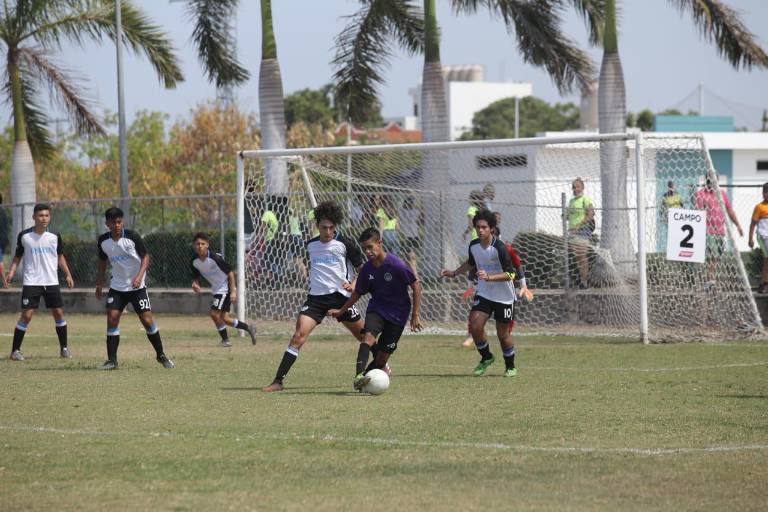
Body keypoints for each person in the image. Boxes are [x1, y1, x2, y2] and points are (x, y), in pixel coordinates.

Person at [262, 201, 366, 392]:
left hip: (341, 298)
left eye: (331, 227)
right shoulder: (310, 245)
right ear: (317, 225)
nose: (328, 231)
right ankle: (278, 381)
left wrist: (353, 284)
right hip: (316, 300)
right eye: (324, 227)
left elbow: (363, 270)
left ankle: (382, 365)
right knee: (298, 336)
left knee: (365, 337)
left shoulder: (346, 244)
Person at [328, 228, 423, 391]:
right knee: (368, 338)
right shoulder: (367, 269)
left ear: (380, 243)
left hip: (399, 315)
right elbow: (357, 293)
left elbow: (416, 284)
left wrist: (415, 315)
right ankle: (359, 376)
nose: (368, 252)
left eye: (370, 247)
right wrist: (341, 310)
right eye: (364, 248)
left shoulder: (395, 264)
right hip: (377, 309)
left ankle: (366, 377)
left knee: (382, 357)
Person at [441, 209, 520, 377]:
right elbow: (471, 263)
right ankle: (486, 357)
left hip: (504, 296)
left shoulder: (499, 248)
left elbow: (511, 274)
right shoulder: (474, 245)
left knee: (503, 334)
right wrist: (454, 272)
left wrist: (490, 277)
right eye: (478, 227)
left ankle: (510, 366)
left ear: (491, 229)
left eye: (484, 227)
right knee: (475, 325)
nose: (480, 230)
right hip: (484, 292)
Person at [95, 206, 174, 370]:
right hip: (117, 286)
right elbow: (102, 262)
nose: (117, 225)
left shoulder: (132, 237)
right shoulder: (103, 241)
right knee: (112, 318)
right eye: (113, 222)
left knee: (147, 320)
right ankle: (112, 361)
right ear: (107, 224)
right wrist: (99, 283)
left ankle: (161, 355)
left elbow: (146, 257)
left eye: (119, 222)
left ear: (122, 222)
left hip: (137, 287)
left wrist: (139, 277)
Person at [4, 204, 74, 361]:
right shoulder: (24, 236)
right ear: (34, 217)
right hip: (31, 281)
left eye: (47, 215)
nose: (44, 218)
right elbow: (17, 257)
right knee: (27, 315)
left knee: (58, 313)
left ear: (50, 217)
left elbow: (60, 256)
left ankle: (64, 349)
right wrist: (11, 272)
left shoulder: (55, 236)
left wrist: (68, 275)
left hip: (51, 281)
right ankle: (15, 351)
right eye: (41, 215)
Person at [190, 232, 257, 347]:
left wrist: (234, 291)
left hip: (224, 288)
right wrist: (195, 284)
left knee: (214, 314)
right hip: (217, 289)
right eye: (197, 244)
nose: (200, 246)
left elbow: (230, 273)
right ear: (194, 246)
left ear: (207, 245)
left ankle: (226, 340)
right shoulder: (193, 261)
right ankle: (249, 328)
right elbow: (195, 276)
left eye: (203, 243)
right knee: (225, 318)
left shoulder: (215, 258)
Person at [693, 177, 744, 287]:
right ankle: (710, 280)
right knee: (713, 254)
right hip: (707, 230)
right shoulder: (700, 194)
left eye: (714, 179)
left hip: (720, 230)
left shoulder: (722, 194)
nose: (711, 182)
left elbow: (730, 210)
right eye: (709, 179)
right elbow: (697, 212)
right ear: (706, 180)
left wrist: (738, 225)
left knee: (718, 255)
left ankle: (709, 277)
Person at [567, 178, 594, 289]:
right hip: (572, 232)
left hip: (582, 231)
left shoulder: (585, 199)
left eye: (578, 186)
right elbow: (569, 215)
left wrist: (579, 225)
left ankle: (585, 282)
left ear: (582, 187)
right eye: (574, 187)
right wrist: (565, 215)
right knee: (577, 257)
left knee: (582, 256)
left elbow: (590, 214)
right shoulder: (571, 201)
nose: (576, 189)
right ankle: (581, 281)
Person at [748, 182, 768, 294]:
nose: (765, 194)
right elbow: (753, 224)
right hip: (763, 236)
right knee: (767, 258)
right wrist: (750, 239)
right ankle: (765, 284)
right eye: (764, 192)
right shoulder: (759, 207)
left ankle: (762, 284)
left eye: (767, 192)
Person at [399, 196, 421, 279]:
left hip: (414, 235)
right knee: (407, 256)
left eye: (412, 202)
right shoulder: (402, 211)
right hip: (406, 235)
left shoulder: (415, 211)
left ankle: (413, 273)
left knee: (412, 256)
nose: (411, 204)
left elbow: (420, 217)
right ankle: (413, 274)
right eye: (410, 202)